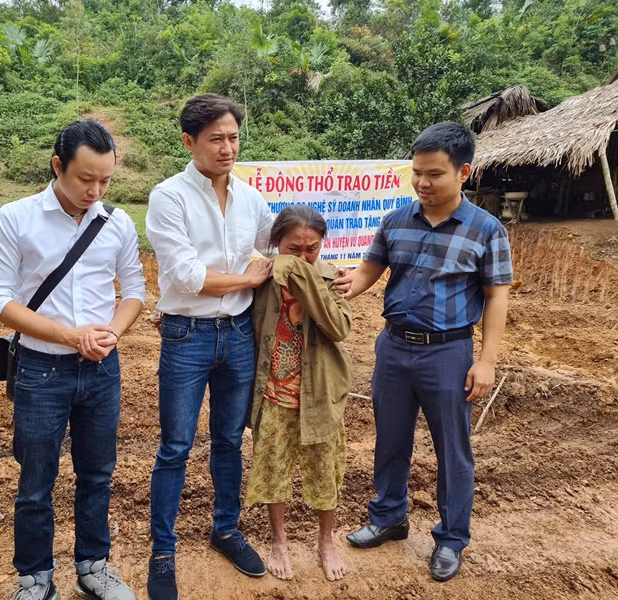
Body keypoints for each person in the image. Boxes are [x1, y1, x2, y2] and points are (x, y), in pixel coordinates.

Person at [340, 122, 513, 582]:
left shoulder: (486, 230)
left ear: (463, 172)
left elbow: (496, 296)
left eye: (434, 174)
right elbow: (369, 270)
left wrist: (486, 361)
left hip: (449, 353)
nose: (422, 182)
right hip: (393, 347)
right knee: (390, 439)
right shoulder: (396, 220)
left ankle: (452, 538)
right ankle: (388, 517)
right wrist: (343, 286)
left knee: (453, 450)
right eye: (417, 172)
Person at [0, 120, 145, 600]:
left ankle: (93, 567)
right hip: (39, 369)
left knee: (97, 474)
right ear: (58, 166)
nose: (95, 191)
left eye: (105, 181)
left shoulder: (117, 223)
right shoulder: (16, 218)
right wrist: (70, 336)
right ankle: (35, 579)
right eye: (85, 179)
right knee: (36, 482)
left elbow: (135, 290)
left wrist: (112, 333)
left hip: (101, 369)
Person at [144, 94, 275, 600]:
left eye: (234, 138)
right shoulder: (169, 197)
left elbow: (276, 242)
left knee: (229, 441)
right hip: (186, 336)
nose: (227, 148)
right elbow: (186, 275)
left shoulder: (250, 198)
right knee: (175, 447)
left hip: (239, 334)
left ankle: (225, 530)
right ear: (189, 141)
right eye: (216, 138)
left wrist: (316, 261)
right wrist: (247, 279)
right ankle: (162, 551)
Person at [245, 205, 353, 583]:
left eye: (312, 249)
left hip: (319, 395)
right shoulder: (262, 279)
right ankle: (279, 542)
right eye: (294, 249)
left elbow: (339, 328)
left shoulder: (331, 279)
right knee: (273, 470)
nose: (304, 257)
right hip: (274, 393)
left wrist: (307, 281)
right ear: (276, 244)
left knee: (325, 471)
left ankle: (326, 542)